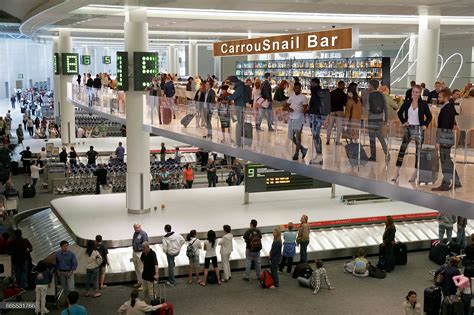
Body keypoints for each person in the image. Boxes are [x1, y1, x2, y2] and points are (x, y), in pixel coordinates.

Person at [393, 85, 432, 182]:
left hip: (419, 129)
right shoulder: (407, 102)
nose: (414, 94)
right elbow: (399, 113)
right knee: (402, 150)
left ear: (420, 93)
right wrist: (403, 122)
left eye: (417, 92)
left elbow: (429, 116)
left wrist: (425, 125)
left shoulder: (423, 103)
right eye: (413, 92)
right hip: (409, 128)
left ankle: (415, 173)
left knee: (418, 152)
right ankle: (396, 171)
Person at [432, 89, 462, 191]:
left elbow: (443, 126)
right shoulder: (450, 107)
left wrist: (438, 141)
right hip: (448, 137)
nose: (438, 98)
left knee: (445, 161)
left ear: (446, 97)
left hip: (444, 138)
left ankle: (445, 184)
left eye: (440, 97)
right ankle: (456, 182)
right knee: (447, 160)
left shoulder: (447, 108)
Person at [364, 79, 389, 162]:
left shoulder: (369, 95)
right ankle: (387, 153)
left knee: (372, 138)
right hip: (380, 118)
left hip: (371, 118)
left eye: (369, 85)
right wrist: (386, 119)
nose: (368, 86)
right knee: (380, 136)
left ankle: (373, 156)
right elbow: (385, 107)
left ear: (371, 86)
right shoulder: (382, 95)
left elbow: (367, 108)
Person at [284, 82, 308, 160]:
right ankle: (303, 149)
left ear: (300, 88)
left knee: (298, 137)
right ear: (294, 88)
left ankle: (296, 153)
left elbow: (305, 109)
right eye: (296, 88)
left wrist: (303, 119)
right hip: (291, 118)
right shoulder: (291, 96)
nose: (297, 89)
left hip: (299, 118)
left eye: (298, 88)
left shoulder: (303, 97)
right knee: (290, 136)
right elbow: (286, 106)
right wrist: (288, 108)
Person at [307, 78, 325, 165]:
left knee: (316, 136)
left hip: (315, 116)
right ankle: (319, 155)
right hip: (318, 116)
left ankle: (319, 155)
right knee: (316, 136)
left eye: (311, 83)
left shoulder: (315, 92)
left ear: (314, 83)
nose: (310, 84)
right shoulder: (320, 92)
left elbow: (315, 105)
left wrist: (310, 112)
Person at [327, 80, 347, 145]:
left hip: (332, 111)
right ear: (342, 86)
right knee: (339, 127)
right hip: (339, 111)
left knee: (329, 126)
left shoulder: (332, 93)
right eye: (344, 85)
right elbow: (345, 104)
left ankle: (328, 140)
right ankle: (338, 141)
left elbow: (328, 101)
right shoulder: (343, 94)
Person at [227, 76, 246, 147]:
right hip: (239, 106)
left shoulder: (240, 87)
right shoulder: (239, 86)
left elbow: (235, 96)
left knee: (240, 124)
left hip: (240, 106)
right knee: (239, 123)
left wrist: (228, 97)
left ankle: (239, 142)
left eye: (231, 83)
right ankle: (239, 141)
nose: (231, 84)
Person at [132, 224, 148, 289]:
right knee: (136, 267)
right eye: (135, 228)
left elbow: (146, 243)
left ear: (140, 227)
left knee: (141, 268)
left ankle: (143, 284)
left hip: (140, 252)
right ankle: (139, 282)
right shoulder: (135, 233)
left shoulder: (143, 234)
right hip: (135, 252)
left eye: (138, 227)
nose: (136, 229)